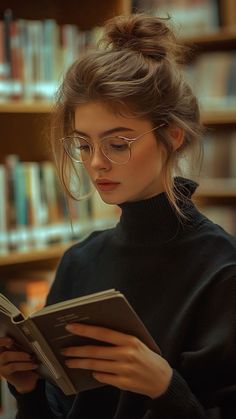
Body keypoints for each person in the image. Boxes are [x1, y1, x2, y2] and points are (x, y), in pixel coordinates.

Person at [0, 13, 235, 419]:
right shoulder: (79, 261)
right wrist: (29, 389)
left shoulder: (222, 270)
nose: (97, 164)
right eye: (84, 145)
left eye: (118, 144)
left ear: (172, 136)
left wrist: (165, 388)